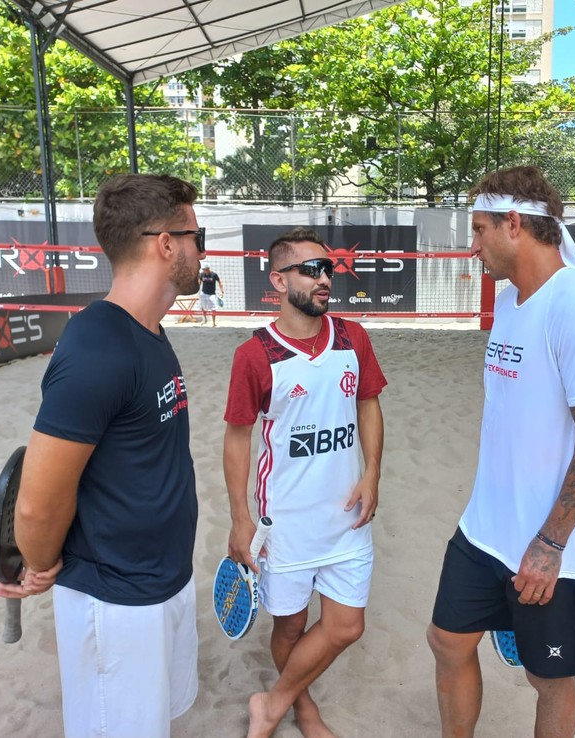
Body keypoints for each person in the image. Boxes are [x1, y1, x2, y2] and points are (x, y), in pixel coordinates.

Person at [0, 174, 204, 738]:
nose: (199, 249)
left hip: (162, 579)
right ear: (165, 244)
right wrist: (40, 566)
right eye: (196, 235)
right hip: (115, 598)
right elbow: (37, 504)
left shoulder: (146, 331)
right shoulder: (98, 346)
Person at [427, 166, 575, 738]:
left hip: (545, 543)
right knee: (446, 641)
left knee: (549, 678)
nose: (474, 245)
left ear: (514, 224)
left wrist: (550, 542)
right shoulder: (512, 301)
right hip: (485, 527)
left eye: (480, 229)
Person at [223, 227, 387, 738]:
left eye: (329, 269)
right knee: (290, 626)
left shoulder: (352, 337)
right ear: (278, 279)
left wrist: (373, 472)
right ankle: (302, 707)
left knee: (346, 626)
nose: (324, 279)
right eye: (311, 269)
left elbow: (368, 403)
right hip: (286, 524)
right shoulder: (255, 355)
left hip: (346, 518)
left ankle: (270, 703)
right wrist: (239, 518)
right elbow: (237, 438)